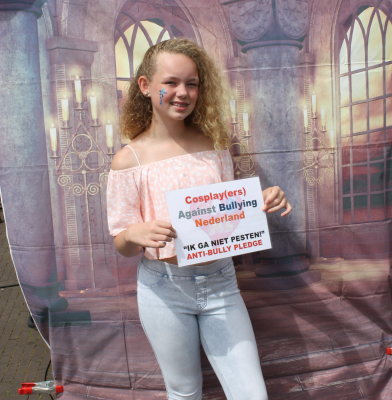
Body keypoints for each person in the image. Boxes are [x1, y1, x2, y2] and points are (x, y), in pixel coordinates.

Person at [107, 38, 292, 400]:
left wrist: (260, 201)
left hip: (221, 282)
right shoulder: (129, 161)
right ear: (145, 86)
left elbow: (225, 216)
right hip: (164, 289)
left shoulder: (214, 145)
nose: (183, 93)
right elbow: (121, 243)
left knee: (252, 394)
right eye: (170, 83)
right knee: (184, 391)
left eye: (191, 84)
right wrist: (135, 233)